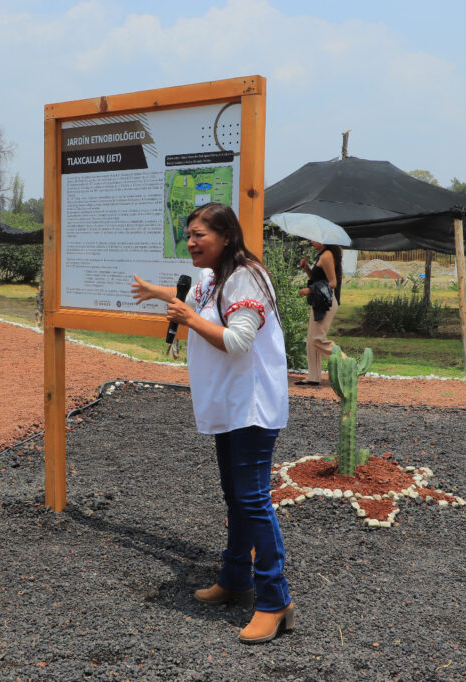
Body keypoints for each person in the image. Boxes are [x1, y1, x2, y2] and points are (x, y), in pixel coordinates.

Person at [131, 203, 294, 644]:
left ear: (226, 236)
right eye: (188, 235)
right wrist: (158, 292)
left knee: (254, 499)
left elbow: (240, 341)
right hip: (229, 406)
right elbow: (193, 297)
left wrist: (188, 319)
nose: (191, 242)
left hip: (251, 408)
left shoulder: (247, 278)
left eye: (200, 234)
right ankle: (236, 578)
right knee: (236, 497)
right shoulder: (214, 276)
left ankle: (275, 601)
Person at [295, 241, 342, 385]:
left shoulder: (327, 255)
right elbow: (317, 279)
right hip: (319, 301)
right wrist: (306, 268)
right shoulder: (321, 255)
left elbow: (332, 283)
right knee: (311, 341)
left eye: (314, 239)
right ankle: (313, 377)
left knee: (317, 339)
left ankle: (346, 363)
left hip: (326, 303)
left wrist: (309, 290)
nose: (311, 242)